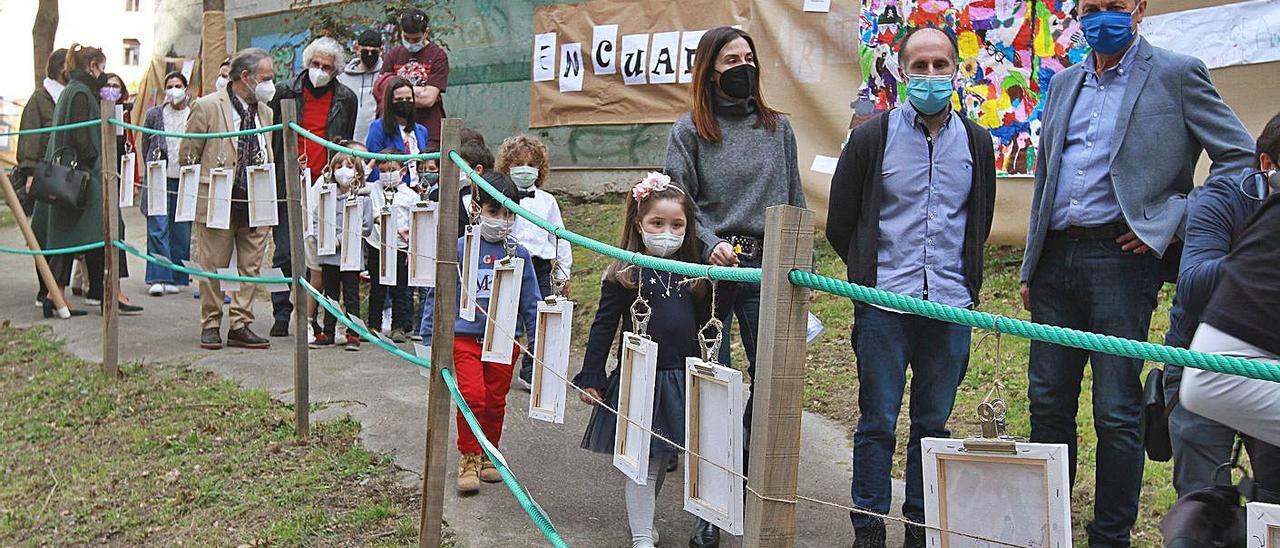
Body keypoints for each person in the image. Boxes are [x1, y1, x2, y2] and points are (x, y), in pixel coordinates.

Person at [1017, 0, 1256, 541]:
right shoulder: (1061, 85)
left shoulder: (1177, 73)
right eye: (1093, 8)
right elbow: (1047, 179)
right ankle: (1044, 528)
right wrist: (1031, 265)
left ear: (1140, 9)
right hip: (1055, 261)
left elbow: (1239, 156)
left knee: (1117, 410)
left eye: (1116, 7)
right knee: (1047, 403)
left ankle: (1110, 535)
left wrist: (1171, 219)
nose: (1104, 17)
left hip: (1121, 264)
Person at [825, 26, 997, 548]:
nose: (929, 76)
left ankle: (920, 529)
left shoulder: (977, 141)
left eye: (939, 65)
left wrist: (963, 281)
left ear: (955, 70)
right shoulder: (871, 137)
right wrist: (866, 281)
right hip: (883, 306)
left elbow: (979, 220)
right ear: (901, 72)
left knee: (933, 424)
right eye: (918, 66)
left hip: (950, 310)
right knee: (877, 420)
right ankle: (869, 527)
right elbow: (841, 220)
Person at [663, 26, 806, 547]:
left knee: (770, 379)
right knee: (715, 384)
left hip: (770, 267)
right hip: (714, 270)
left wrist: (799, 267)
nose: (742, 66)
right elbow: (677, 201)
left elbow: (794, 199)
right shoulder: (689, 131)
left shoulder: (778, 129)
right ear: (710, 69)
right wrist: (706, 243)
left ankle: (742, 468)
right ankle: (712, 505)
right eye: (731, 59)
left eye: (748, 57)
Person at [575, 173, 715, 548]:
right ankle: (641, 537)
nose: (666, 231)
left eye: (676, 225)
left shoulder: (694, 277)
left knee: (662, 454)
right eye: (657, 223)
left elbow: (707, 327)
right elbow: (603, 328)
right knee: (641, 463)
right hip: (639, 378)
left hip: (677, 380)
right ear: (639, 225)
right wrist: (592, 375)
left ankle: (645, 524)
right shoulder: (624, 275)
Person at [1163, 114, 1280, 496]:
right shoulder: (1222, 198)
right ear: (1268, 166)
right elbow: (1192, 284)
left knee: (1274, 501)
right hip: (1202, 366)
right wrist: (1260, 258)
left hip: (1270, 369)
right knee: (1204, 502)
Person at [421, 171, 539, 494]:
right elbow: (439, 292)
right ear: (476, 208)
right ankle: (468, 456)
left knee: (495, 399)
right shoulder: (460, 250)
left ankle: (490, 453)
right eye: (493, 212)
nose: (501, 220)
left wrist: (539, 339)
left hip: (505, 340)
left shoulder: (519, 254)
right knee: (472, 395)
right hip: (466, 339)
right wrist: (429, 333)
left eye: (508, 214)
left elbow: (532, 302)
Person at [30, 45, 141, 317]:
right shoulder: (79, 92)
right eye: (101, 67)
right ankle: (74, 295)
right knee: (96, 233)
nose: (102, 74)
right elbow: (80, 136)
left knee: (83, 238)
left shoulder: (72, 89)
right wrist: (93, 163)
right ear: (91, 65)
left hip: (72, 176)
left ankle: (78, 295)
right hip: (82, 178)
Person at [179, 47, 277, 350]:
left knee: (251, 266)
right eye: (265, 78)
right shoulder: (208, 106)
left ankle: (241, 323)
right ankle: (210, 322)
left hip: (255, 199)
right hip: (218, 199)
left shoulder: (266, 112)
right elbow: (188, 154)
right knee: (213, 266)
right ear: (244, 77)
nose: (269, 85)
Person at [267, 36, 358, 337]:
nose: (320, 70)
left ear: (336, 71)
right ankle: (282, 310)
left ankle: (309, 316)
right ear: (306, 64)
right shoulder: (284, 92)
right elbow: (270, 135)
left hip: (323, 186)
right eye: (315, 64)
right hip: (287, 181)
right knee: (283, 252)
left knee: (318, 257)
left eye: (327, 67)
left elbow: (344, 140)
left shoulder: (346, 98)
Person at [497, 135, 574, 388]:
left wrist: (563, 274)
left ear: (540, 169)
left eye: (531, 164)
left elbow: (561, 237)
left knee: (539, 320)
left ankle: (531, 370)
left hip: (539, 267)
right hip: (509, 264)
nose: (525, 169)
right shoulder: (500, 198)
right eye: (518, 163)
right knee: (506, 318)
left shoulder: (547, 201)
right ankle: (499, 365)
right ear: (507, 166)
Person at [17, 48, 79, 315]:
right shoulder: (40, 99)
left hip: (65, 175)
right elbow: (30, 136)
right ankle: (46, 290)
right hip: (43, 175)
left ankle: (58, 288)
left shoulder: (70, 96)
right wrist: (30, 173)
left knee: (64, 233)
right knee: (43, 233)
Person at [140, 71, 194, 297]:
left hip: (184, 179)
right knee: (158, 226)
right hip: (159, 177)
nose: (174, 90)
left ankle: (177, 275)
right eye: (170, 86)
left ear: (186, 88)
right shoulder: (155, 114)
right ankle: (159, 277)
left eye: (178, 85)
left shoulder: (194, 114)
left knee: (181, 229)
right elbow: (145, 143)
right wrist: (152, 164)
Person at [311, 152, 369, 351]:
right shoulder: (326, 197)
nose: (344, 171)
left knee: (351, 295)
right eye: (339, 166)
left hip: (351, 257)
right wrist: (326, 239)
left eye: (350, 166)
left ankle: (353, 333)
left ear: (358, 173)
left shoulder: (364, 198)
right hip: (329, 257)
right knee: (330, 296)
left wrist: (342, 238)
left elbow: (366, 226)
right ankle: (328, 332)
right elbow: (316, 221)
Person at [376, 8, 449, 151]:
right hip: (395, 130)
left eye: (415, 39)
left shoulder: (438, 56)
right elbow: (382, 92)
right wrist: (419, 91)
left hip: (429, 130)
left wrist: (398, 92)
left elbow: (428, 99)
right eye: (406, 38)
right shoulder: (394, 55)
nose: (410, 42)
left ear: (426, 32)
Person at [363, 153, 419, 342]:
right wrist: (371, 162)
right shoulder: (373, 189)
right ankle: (373, 325)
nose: (387, 174)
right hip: (377, 245)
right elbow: (358, 180)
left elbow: (415, 223)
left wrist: (410, 247)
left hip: (400, 247)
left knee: (400, 290)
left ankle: (398, 327)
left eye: (392, 170)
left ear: (403, 171)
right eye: (383, 170)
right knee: (377, 288)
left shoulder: (411, 196)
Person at [339, 29, 384, 144]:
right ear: (357, 49)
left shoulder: (385, 76)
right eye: (365, 51)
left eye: (374, 52)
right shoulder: (342, 79)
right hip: (350, 142)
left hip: (379, 142)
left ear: (381, 51)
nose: (369, 55)